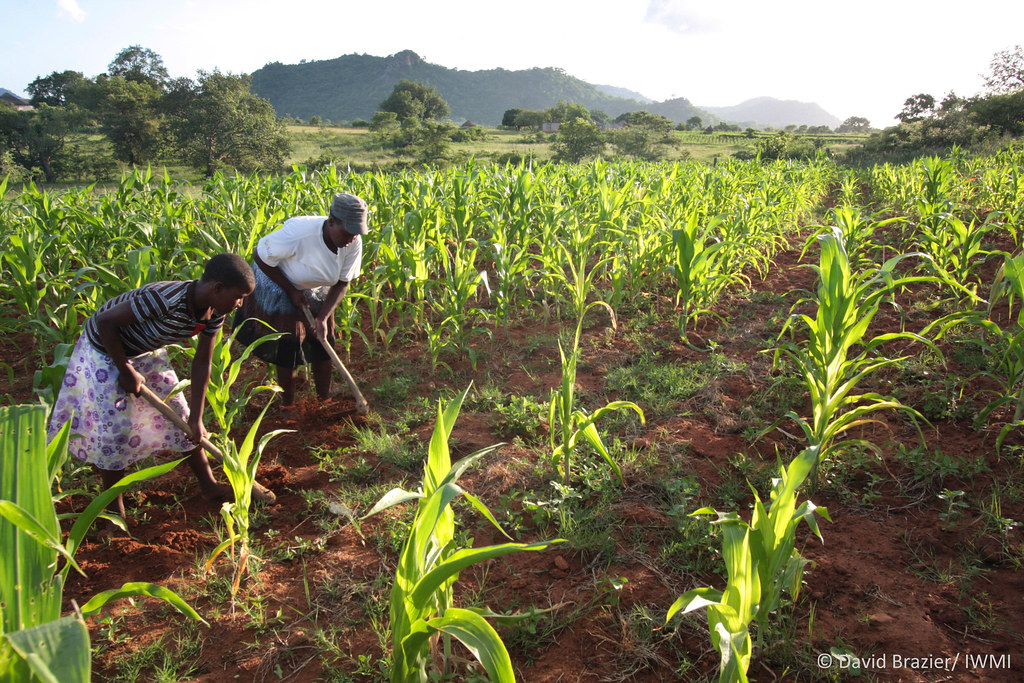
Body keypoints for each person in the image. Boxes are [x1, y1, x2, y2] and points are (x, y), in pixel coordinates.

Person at [47, 253, 260, 525]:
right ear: (217, 288)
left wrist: (196, 418)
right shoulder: (164, 299)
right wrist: (124, 369)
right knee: (116, 429)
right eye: (238, 296)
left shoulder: (215, 311)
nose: (240, 303)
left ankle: (209, 486)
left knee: (181, 416)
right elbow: (105, 322)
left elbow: (203, 361)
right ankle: (113, 511)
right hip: (104, 350)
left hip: (144, 350)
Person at [233, 192, 367, 410]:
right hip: (278, 279)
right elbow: (260, 255)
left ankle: (324, 398)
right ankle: (288, 406)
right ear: (331, 222)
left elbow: (342, 283)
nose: (351, 238)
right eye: (347, 233)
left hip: (314, 283)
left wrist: (322, 317)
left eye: (356, 233)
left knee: (324, 340)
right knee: (290, 344)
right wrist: (291, 290)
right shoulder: (299, 234)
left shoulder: (353, 242)